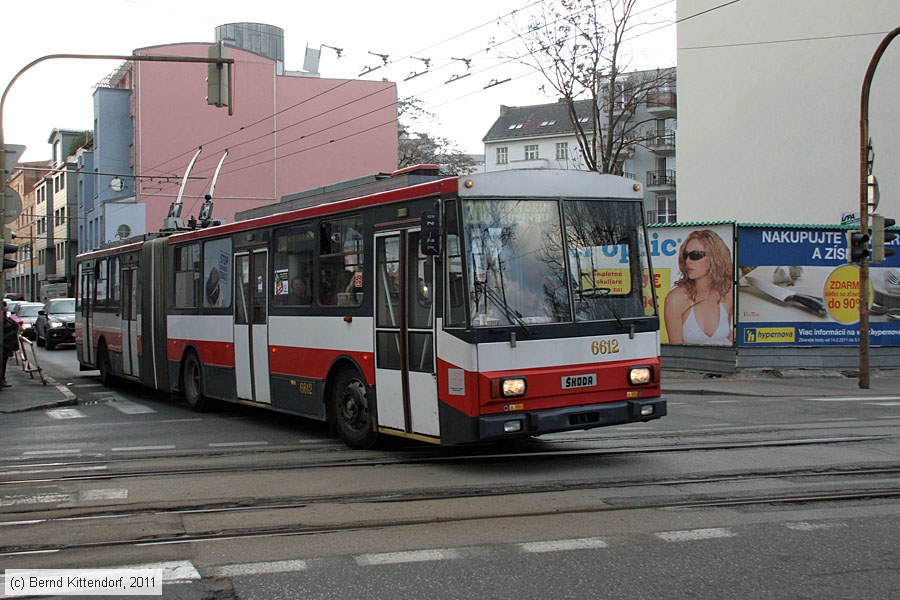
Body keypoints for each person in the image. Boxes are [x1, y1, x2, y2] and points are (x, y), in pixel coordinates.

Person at [664, 230, 734, 345]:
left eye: (695, 255)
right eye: (685, 255)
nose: (688, 261)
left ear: (715, 257)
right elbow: (676, 354)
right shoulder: (675, 299)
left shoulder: (727, 291)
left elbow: (728, 335)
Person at [1, 301, 20, 388]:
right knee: (2, 363)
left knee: (4, 362)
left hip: (7, 345)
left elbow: (14, 325)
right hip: (3, 344)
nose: (7, 308)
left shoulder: (5, 317)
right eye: (5, 306)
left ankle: (2, 379)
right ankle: (2, 380)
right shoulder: (3, 318)